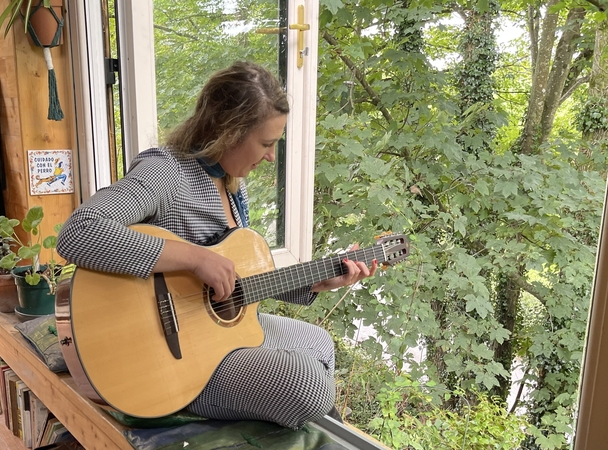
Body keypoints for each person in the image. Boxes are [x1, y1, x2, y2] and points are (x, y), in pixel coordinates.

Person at [56, 61, 377, 429]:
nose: (271, 157)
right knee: (306, 384)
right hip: (169, 360)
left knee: (318, 342)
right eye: (267, 143)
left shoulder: (228, 184)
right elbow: (79, 232)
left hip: (210, 338)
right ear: (230, 132)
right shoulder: (167, 171)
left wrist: (320, 281)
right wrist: (194, 258)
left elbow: (238, 281)